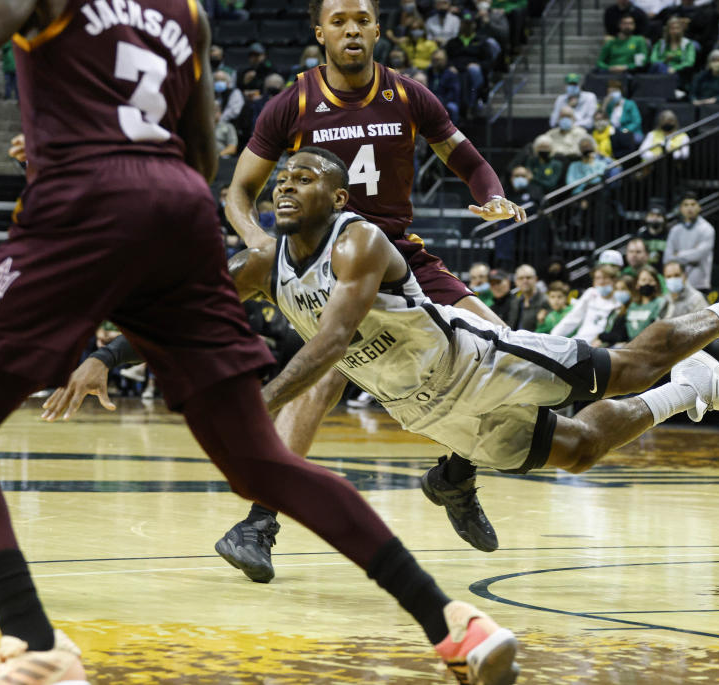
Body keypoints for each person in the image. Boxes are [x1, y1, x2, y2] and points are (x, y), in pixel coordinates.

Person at [0, 6, 520, 685]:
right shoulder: (183, 10)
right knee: (257, 458)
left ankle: (34, 640)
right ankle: (452, 622)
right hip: (178, 206)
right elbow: (202, 156)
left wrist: (72, 157)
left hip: (88, 200)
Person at [65, 149, 719, 615]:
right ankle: (692, 388)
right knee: (575, 452)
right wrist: (107, 355)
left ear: (338, 198)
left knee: (625, 365)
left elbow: (333, 339)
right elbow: (189, 308)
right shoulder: (265, 265)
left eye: (305, 177)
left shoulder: (358, 240)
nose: (285, 186)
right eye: (282, 178)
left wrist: (255, 406)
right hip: (424, 407)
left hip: (478, 361)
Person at [224, 0, 529, 579]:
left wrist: (491, 193)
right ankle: (258, 522)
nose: (352, 30)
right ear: (321, 33)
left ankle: (455, 477)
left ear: (377, 29)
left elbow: (470, 161)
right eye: (339, 21)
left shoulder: (409, 95)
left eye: (362, 19)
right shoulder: (291, 103)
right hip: (327, 262)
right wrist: (261, 243)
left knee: (504, 347)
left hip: (397, 255)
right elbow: (238, 191)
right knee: (321, 381)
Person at [550, 264, 622, 341]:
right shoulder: (590, 293)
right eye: (597, 278)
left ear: (614, 280)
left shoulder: (619, 301)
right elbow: (572, 318)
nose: (601, 282)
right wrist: (553, 336)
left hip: (601, 344)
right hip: (580, 340)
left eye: (605, 278)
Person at [665, 192, 715, 292]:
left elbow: (699, 255)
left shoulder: (707, 229)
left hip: (700, 284)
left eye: (693, 204)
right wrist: (691, 255)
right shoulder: (675, 230)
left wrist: (678, 254)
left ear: (699, 207)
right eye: (686, 205)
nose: (689, 208)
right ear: (681, 209)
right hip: (678, 283)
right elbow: (667, 258)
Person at [602, 79, 643, 157]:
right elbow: (601, 119)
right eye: (610, 92)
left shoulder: (629, 104)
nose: (613, 94)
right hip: (614, 133)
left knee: (622, 139)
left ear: (620, 92)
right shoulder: (609, 107)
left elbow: (637, 121)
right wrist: (605, 105)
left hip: (630, 132)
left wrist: (625, 130)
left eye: (615, 91)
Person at [649, 16, 697, 81]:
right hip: (660, 70)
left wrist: (675, 68)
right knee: (659, 66)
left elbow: (690, 62)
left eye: (677, 28)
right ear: (667, 30)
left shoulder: (687, 44)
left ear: (681, 29)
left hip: (679, 72)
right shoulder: (660, 43)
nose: (675, 31)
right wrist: (665, 60)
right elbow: (653, 60)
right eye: (672, 28)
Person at [427, 48, 462, 122]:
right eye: (434, 59)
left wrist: (439, 102)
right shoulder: (428, 73)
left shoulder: (451, 74)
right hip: (429, 101)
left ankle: (451, 131)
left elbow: (453, 93)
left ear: (445, 60)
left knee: (453, 107)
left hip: (445, 101)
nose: (436, 62)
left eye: (439, 60)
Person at [513, 263, 549, 331]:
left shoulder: (546, 300)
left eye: (528, 277)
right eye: (521, 278)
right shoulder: (515, 301)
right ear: (516, 282)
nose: (525, 281)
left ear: (536, 279)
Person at [637, 203, 669, 269]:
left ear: (664, 218)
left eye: (658, 215)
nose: (655, 218)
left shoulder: (670, 235)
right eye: (651, 215)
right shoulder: (641, 235)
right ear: (646, 218)